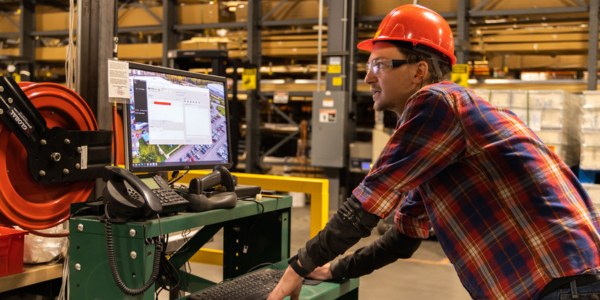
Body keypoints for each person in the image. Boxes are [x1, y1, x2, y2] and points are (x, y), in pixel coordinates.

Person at [267, 4, 600, 300]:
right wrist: (333, 270)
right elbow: (403, 237)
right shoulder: (442, 139)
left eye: (380, 64)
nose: (368, 77)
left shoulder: (437, 102)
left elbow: (368, 201)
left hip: (562, 284)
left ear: (418, 72)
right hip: (564, 280)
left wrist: (300, 265)